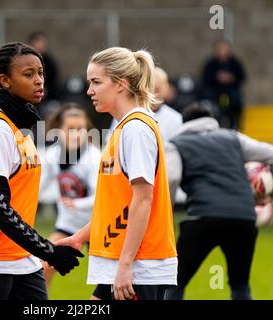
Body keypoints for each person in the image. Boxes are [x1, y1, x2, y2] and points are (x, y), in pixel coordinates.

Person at [0, 42, 83, 300]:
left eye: (41, 73)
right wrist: (48, 249)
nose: (38, 81)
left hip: (21, 259)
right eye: (28, 74)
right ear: (5, 80)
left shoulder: (18, 127)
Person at [57, 47, 178, 300]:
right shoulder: (122, 128)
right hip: (120, 259)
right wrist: (80, 237)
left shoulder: (136, 129)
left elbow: (143, 199)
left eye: (96, 82)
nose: (89, 90)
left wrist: (125, 265)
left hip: (137, 266)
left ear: (121, 84)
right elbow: (117, 206)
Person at [164, 102, 273, 300]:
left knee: (175, 282)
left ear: (185, 123)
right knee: (240, 285)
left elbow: (172, 178)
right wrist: (269, 197)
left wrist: (164, 211)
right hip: (243, 218)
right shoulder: (233, 138)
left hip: (204, 217)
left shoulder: (176, 144)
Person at [40, 102, 102, 291]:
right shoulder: (53, 155)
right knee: (43, 266)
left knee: (108, 279)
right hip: (67, 225)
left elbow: (101, 197)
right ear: (59, 130)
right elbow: (38, 186)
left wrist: (78, 203)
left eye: (80, 129)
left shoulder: (94, 157)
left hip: (96, 225)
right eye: (70, 129)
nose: (75, 134)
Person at [107, 67, 182, 145]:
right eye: (149, 89)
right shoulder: (125, 114)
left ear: (166, 89)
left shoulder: (175, 119)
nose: (153, 94)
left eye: (157, 90)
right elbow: (111, 143)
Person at [202, 40, 246, 130]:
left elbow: (242, 77)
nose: (221, 51)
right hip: (215, 89)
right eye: (219, 49)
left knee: (237, 99)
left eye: (224, 49)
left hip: (231, 89)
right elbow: (205, 78)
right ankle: (213, 125)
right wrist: (217, 78)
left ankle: (235, 125)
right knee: (209, 101)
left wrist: (231, 78)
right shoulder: (211, 63)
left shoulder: (235, 63)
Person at [28, 32, 60, 102]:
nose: (43, 44)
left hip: (47, 98)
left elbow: (54, 82)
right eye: (39, 41)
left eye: (44, 42)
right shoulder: (25, 61)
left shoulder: (50, 62)